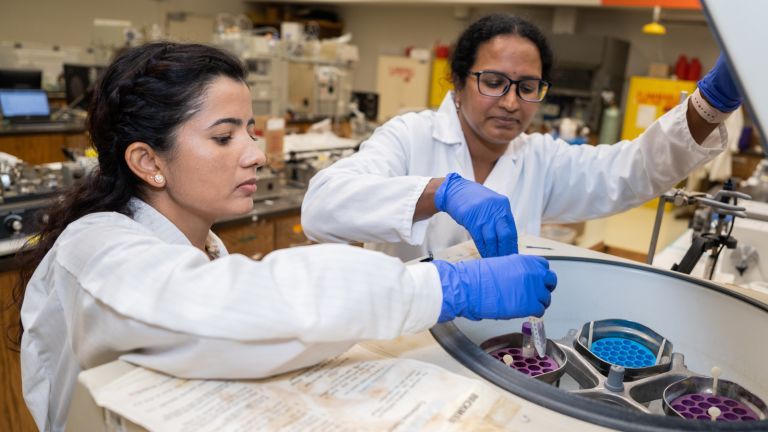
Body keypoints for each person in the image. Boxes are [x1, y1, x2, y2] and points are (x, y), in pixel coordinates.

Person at [16, 42, 556, 432]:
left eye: (251, 130)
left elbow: (270, 325)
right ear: (148, 161)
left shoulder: (200, 247)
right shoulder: (96, 246)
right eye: (225, 136)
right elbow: (226, 309)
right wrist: (441, 286)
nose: (256, 152)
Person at [301, 13, 742, 262]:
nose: (511, 103)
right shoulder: (410, 136)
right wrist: (440, 193)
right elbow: (321, 206)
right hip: (406, 341)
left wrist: (713, 102)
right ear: (456, 82)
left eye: (527, 87)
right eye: (493, 81)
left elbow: (631, 173)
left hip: (501, 345)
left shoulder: (540, 158)